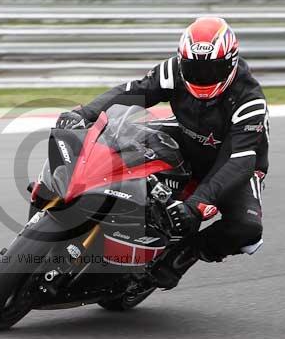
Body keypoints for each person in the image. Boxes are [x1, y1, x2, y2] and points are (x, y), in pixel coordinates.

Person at [55, 17, 269, 288]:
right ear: (182, 61)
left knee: (247, 228)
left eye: (211, 70)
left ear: (231, 63)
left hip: (234, 161)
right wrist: (85, 113)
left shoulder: (249, 99)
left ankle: (185, 253)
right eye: (194, 69)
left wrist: (195, 206)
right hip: (187, 136)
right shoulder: (174, 70)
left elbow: (240, 160)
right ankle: (76, 196)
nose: (202, 78)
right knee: (119, 139)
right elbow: (134, 91)